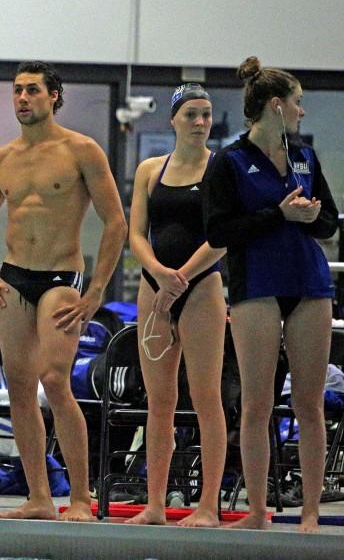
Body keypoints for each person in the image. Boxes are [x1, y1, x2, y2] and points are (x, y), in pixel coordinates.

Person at [0, 61, 127, 522]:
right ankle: (39, 496)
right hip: (15, 275)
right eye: (17, 90)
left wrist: (97, 290)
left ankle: (80, 497)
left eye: (32, 90)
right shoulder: (3, 158)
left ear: (54, 96)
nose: (22, 98)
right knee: (19, 387)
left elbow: (115, 222)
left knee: (55, 381)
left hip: (62, 279)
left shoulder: (81, 150)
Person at [204, 57, 338, 533]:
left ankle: (308, 511)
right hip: (256, 286)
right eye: (298, 104)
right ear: (277, 107)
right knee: (257, 404)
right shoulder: (229, 162)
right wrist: (279, 216)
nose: (303, 113)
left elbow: (328, 220)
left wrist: (308, 216)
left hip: (308, 284)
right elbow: (219, 231)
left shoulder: (304, 156)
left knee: (310, 404)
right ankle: (258, 510)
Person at [125, 84, 227, 527]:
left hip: (202, 285)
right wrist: (161, 275)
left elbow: (223, 235)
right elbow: (135, 234)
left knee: (207, 398)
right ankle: (154, 505)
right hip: (154, 285)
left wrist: (181, 276)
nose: (200, 123)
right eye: (191, 115)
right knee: (160, 401)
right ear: (173, 120)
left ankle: (207, 506)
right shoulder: (150, 169)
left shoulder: (222, 169)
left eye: (206, 115)